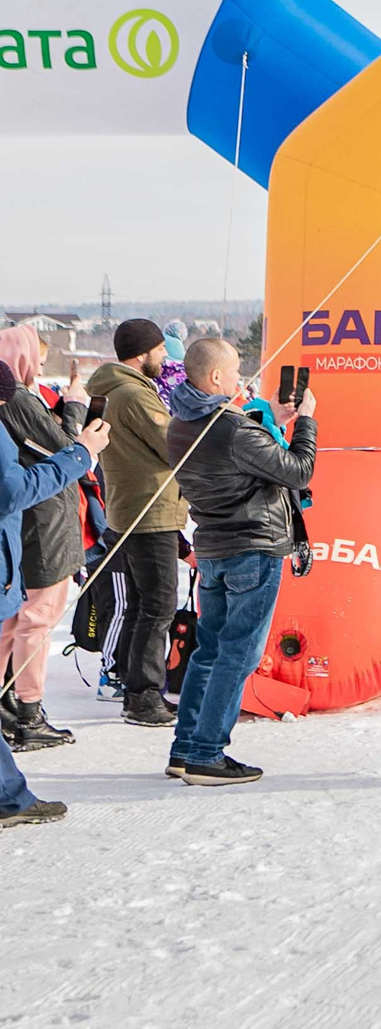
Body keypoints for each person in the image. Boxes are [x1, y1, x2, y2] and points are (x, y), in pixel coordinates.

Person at [162, 337, 318, 785]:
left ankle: (186, 747)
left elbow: (250, 454)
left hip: (213, 550)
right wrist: (305, 422)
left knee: (209, 651)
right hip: (253, 547)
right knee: (238, 655)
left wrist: (273, 417)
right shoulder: (230, 427)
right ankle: (207, 754)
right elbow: (297, 470)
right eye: (234, 372)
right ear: (214, 378)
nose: (239, 379)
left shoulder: (182, 423)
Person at [0, 401, 108, 826]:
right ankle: (26, 715)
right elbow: (14, 491)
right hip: (30, 551)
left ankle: (10, 795)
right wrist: (81, 451)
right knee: (34, 622)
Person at [86, 317, 190, 726]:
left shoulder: (111, 388)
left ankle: (135, 686)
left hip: (129, 508)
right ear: (141, 353)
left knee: (143, 603)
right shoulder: (133, 394)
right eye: (161, 350)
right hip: (151, 512)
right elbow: (173, 445)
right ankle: (143, 695)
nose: (165, 358)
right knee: (159, 603)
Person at [1, 328, 87, 750]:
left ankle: (10, 703)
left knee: (15, 616)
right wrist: (74, 409)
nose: (39, 365)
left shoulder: (16, 397)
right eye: (38, 356)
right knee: (37, 617)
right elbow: (67, 449)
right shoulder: (16, 398)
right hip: (45, 522)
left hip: (31, 522)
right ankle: (28, 710)